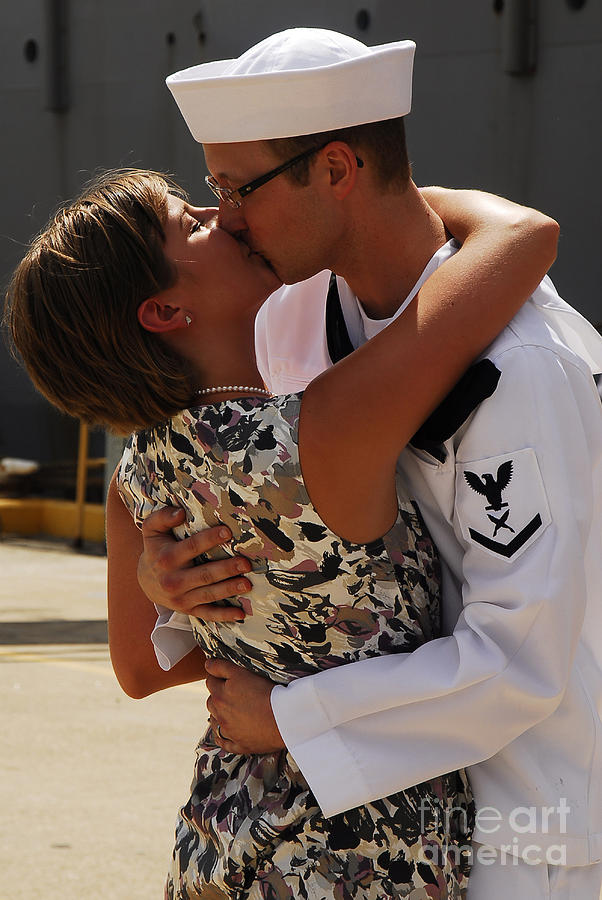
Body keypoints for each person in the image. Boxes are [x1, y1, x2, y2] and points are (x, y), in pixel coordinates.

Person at [129, 28, 602, 900]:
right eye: (213, 188)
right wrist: (180, 583)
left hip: (527, 820)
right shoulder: (290, 317)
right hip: (376, 814)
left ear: (337, 170)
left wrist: (292, 719)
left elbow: (521, 655)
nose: (223, 218)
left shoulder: (525, 363)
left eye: (239, 188)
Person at [6, 169, 555, 899]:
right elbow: (522, 237)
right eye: (190, 221)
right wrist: (360, 199)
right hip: (359, 854)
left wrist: (218, 622)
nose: (219, 214)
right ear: (166, 309)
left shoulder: (136, 476)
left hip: (222, 834)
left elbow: (140, 672)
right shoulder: (323, 430)